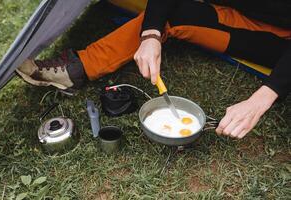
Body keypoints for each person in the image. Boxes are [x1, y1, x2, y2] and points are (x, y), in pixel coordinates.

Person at [16, 0, 291, 139]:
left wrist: (260, 99)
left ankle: (77, 69)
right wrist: (150, 35)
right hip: (241, 10)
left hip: (281, 36)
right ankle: (77, 71)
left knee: (181, 15)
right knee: (169, 14)